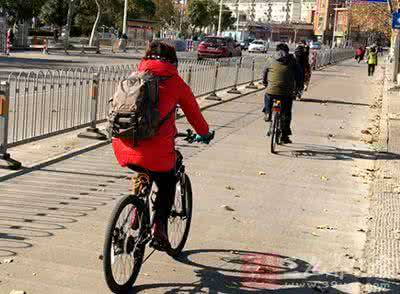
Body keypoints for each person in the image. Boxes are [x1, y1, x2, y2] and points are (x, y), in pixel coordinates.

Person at [111, 40, 214, 249]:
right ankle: (159, 227)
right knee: (167, 181)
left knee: (142, 170)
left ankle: (135, 211)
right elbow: (194, 114)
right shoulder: (175, 82)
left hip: (123, 146)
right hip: (157, 154)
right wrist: (204, 134)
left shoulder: (133, 78)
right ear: (173, 61)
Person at [262, 43, 303, 144]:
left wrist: (265, 83)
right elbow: (299, 75)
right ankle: (284, 135)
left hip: (272, 91)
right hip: (286, 93)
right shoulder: (293, 61)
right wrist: (298, 88)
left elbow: (264, 73)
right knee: (286, 112)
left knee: (268, 95)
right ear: (288, 51)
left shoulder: (270, 59)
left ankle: (268, 113)